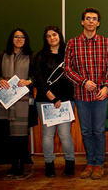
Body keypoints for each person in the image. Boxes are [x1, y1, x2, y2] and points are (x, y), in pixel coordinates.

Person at [64, 7, 108, 179]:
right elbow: (67, 68)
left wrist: (107, 86)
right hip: (81, 95)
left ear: (98, 23)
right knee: (86, 131)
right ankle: (90, 163)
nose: (91, 21)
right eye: (88, 18)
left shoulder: (106, 42)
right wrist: (83, 82)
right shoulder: (72, 43)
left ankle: (99, 164)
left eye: (94, 18)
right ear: (82, 21)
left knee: (99, 131)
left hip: (101, 96)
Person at [33, 26, 75, 177]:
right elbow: (38, 79)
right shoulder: (39, 56)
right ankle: (49, 165)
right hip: (45, 101)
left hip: (65, 101)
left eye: (54, 34)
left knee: (65, 134)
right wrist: (52, 97)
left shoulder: (69, 55)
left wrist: (61, 99)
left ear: (60, 36)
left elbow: (72, 79)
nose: (52, 38)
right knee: (47, 135)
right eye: (48, 36)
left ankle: (70, 164)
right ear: (46, 39)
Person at [0, 28, 33, 177]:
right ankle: (13, 165)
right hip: (7, 101)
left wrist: (28, 81)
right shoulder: (2, 55)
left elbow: (35, 76)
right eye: (16, 37)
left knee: (21, 135)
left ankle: (22, 165)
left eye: (22, 37)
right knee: (9, 134)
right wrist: (0, 81)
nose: (19, 39)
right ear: (12, 38)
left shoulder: (31, 56)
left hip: (23, 101)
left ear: (25, 40)